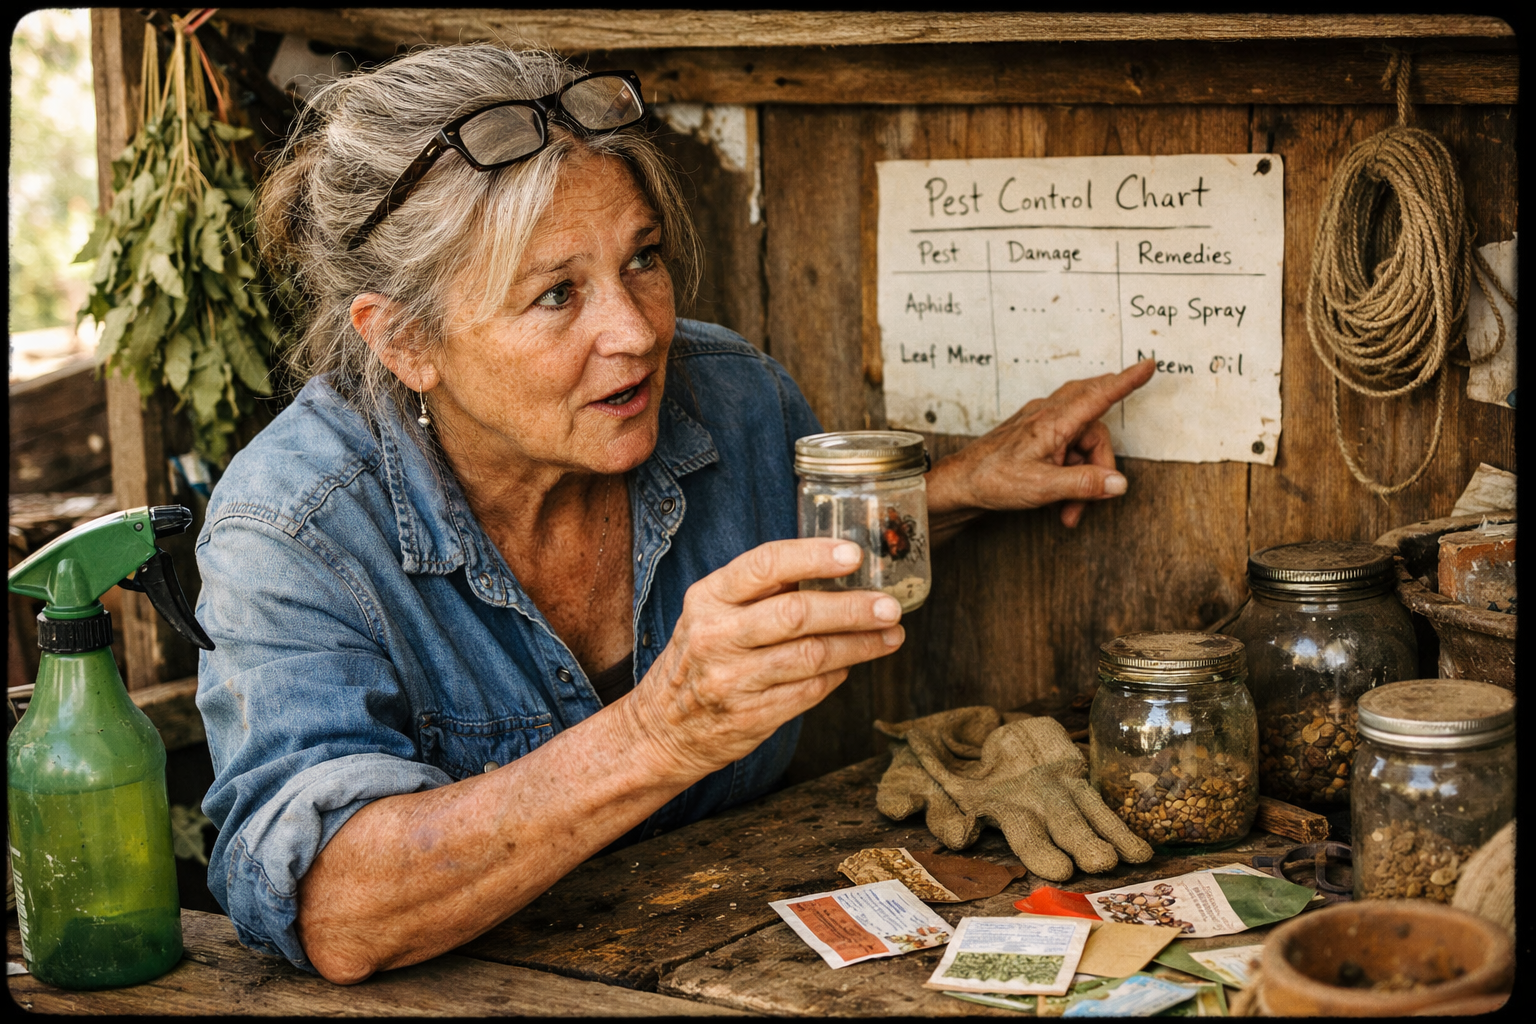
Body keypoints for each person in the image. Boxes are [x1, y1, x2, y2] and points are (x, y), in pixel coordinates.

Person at [195, 45, 1155, 985]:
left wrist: (947, 489)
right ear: (406, 341)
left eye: (643, 258)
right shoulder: (292, 531)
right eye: (557, 294)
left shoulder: (735, 399)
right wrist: (660, 734)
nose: (639, 330)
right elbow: (336, 909)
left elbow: (797, 559)